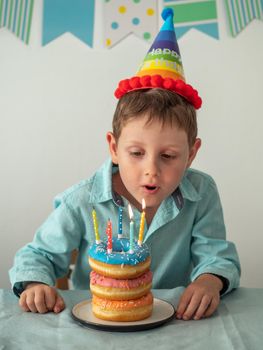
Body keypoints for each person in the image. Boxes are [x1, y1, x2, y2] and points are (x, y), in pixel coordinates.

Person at [9, 8, 240, 320]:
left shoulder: (201, 193)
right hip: (99, 322)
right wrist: (36, 283)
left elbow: (216, 254)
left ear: (192, 154)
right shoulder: (84, 200)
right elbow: (38, 255)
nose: (151, 170)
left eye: (168, 156)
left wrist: (210, 281)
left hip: (175, 325)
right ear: (114, 148)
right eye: (136, 153)